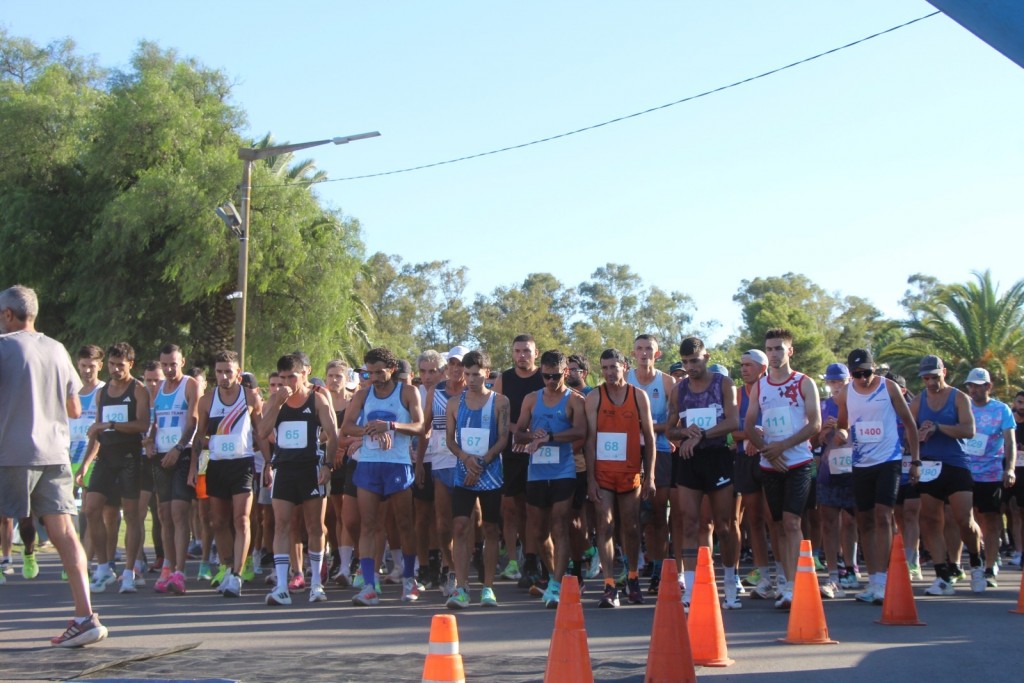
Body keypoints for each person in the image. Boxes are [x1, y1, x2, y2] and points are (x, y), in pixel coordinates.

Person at [0, 285, 107, 646]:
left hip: (12, 453)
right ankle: (85, 617)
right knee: (64, 533)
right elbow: (75, 409)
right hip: (54, 453)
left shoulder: (3, 348)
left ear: (8, 315)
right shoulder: (58, 349)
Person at [743, 328, 822, 609]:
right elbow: (749, 424)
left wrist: (784, 446)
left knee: (792, 521)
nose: (774, 354)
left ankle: (800, 583)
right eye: (770, 349)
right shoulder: (761, 386)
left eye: (779, 348)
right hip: (769, 463)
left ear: (790, 351)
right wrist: (767, 450)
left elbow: (815, 424)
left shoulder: (804, 382)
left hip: (798, 461)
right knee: (775, 524)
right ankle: (787, 582)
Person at [834, 349, 920, 604]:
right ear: (851, 374)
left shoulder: (889, 387)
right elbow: (842, 423)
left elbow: (909, 423)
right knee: (865, 520)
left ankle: (884, 580)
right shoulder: (846, 394)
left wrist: (915, 461)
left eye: (867, 373)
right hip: (861, 464)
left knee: (884, 516)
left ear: (875, 369)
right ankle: (874, 581)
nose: (863, 379)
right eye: (857, 374)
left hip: (889, 460)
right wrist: (841, 433)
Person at [341, 347, 424, 606]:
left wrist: (390, 426)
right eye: (370, 372)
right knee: (369, 524)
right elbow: (346, 427)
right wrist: (370, 430)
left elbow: (420, 426)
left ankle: (409, 579)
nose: (374, 377)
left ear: (391, 370)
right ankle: (369, 584)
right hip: (369, 464)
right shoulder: (363, 395)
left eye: (379, 372)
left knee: (404, 523)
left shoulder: (407, 392)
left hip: (397, 464)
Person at [666, 337, 741, 609]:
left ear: (706, 357)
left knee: (724, 524)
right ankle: (691, 586)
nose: (690, 367)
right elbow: (670, 428)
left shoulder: (723, 384)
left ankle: (731, 583)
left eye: (694, 361)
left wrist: (703, 435)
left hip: (718, 457)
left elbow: (733, 422)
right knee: (689, 522)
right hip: (689, 459)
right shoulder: (679, 389)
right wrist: (685, 433)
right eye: (685, 362)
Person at [258, 353, 338, 605]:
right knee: (282, 525)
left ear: (305, 373)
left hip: (311, 470)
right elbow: (261, 432)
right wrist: (277, 405)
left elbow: (333, 434)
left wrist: (327, 464)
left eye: (292, 376)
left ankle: (316, 584)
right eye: (282, 378)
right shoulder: (275, 399)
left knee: (315, 526)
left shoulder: (317, 399)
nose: (287, 383)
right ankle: (282, 586)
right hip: (284, 469)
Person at [191, 351, 267, 598]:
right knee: (219, 522)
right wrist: (193, 467)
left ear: (238, 371)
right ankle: (225, 567)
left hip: (242, 464)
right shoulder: (206, 400)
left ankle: (237, 574)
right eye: (219, 371)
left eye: (228, 371)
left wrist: (270, 463)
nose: (223, 376)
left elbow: (262, 432)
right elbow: (199, 437)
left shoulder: (250, 398)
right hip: (217, 464)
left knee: (242, 520)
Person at [77, 343, 151, 595]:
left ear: (131, 364)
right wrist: (86, 463)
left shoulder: (138, 390)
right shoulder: (102, 392)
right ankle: (104, 567)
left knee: (131, 516)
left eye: (121, 365)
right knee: (91, 509)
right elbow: (96, 431)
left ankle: (129, 572)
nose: (116, 369)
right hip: (105, 458)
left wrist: (111, 424)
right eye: (112, 364)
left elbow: (142, 425)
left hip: (129, 457)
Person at [585, 349, 656, 608]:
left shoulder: (638, 396)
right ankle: (608, 584)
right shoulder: (594, 397)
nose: (609, 372)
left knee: (631, 527)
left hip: (630, 473)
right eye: (604, 368)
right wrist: (591, 479)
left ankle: (633, 579)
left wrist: (650, 476)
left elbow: (649, 437)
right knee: (604, 525)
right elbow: (590, 440)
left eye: (614, 367)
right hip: (603, 473)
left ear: (625, 366)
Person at [515, 350, 587, 608]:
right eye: (546, 376)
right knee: (538, 530)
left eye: (555, 376)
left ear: (565, 373)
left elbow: (581, 431)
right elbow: (518, 433)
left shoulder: (574, 400)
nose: (550, 381)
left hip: (563, 470)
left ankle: (556, 584)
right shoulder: (531, 399)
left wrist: (552, 437)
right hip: (537, 471)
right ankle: (558, 574)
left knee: (559, 524)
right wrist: (533, 434)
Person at [909, 355, 984, 595]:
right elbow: (907, 431)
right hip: (929, 464)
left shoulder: (959, 397)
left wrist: (939, 427)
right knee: (930, 520)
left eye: (935, 376)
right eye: (926, 378)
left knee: (964, 519)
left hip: (956, 463)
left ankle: (976, 561)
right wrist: (916, 443)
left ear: (945, 372)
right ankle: (942, 575)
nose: (931, 381)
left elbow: (969, 430)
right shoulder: (919, 401)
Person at [445, 350, 510, 608]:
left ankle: (488, 587)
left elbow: (504, 437)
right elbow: (450, 439)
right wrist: (465, 458)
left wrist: (482, 462)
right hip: (463, 472)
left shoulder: (500, 402)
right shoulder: (454, 402)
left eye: (476, 374)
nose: (471, 379)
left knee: (491, 528)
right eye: (467, 373)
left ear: (487, 373)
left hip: (490, 473)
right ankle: (461, 587)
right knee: (460, 526)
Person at [493, 334, 545, 584]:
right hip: (511, 449)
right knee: (510, 507)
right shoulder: (504, 379)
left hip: (541, 449)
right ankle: (513, 561)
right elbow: (497, 416)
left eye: (526, 351)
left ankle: (535, 559)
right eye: (517, 351)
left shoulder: (544, 376)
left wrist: (534, 436)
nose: (521, 355)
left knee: (534, 508)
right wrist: (517, 432)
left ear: (536, 353)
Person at [627, 335, 676, 593]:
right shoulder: (625, 380)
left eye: (649, 349)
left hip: (662, 451)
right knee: (633, 516)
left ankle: (659, 570)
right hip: (629, 453)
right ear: (633, 353)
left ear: (657, 354)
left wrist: (646, 428)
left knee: (659, 513)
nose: (644, 353)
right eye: (640, 349)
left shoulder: (667, 382)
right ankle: (632, 571)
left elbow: (673, 422)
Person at [417, 346, 468, 596]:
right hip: (440, 461)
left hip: (469, 462)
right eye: (452, 364)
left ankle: (464, 572)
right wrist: (418, 463)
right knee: (443, 522)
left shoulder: (476, 391)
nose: (456, 369)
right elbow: (424, 428)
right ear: (446, 367)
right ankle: (449, 569)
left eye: (461, 364)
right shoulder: (435, 392)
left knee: (469, 521)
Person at [150, 344, 199, 595]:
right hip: (160, 455)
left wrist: (178, 448)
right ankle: (167, 567)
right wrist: (149, 440)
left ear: (182, 361)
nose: (169, 369)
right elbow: (154, 421)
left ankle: (180, 571)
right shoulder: (158, 388)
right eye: (165, 364)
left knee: (180, 513)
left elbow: (193, 421)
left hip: (181, 454)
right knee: (164, 514)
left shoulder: (189, 385)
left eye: (173, 364)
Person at [962, 367, 1017, 586]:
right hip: (966, 471)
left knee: (991, 520)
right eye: (970, 385)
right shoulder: (963, 406)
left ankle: (990, 566)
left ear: (988, 386)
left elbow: (1010, 441)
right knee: (967, 519)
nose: (973, 389)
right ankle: (976, 558)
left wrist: (1010, 468)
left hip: (992, 472)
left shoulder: (1001, 409)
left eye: (978, 385)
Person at [813, 363, 857, 599]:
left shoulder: (859, 401)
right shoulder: (823, 405)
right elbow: (813, 441)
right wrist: (822, 435)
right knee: (829, 522)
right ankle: (832, 574)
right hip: (830, 469)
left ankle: (850, 567)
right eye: (832, 381)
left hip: (855, 467)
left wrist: (846, 431)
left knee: (851, 520)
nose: (836, 385)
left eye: (840, 381)